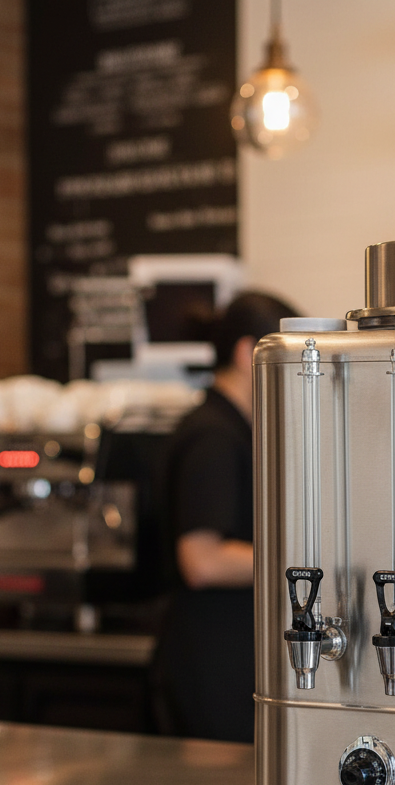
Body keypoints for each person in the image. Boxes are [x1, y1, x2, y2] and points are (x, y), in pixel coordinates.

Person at [155, 291, 298, 742]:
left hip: (229, 657)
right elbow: (203, 561)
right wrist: (303, 564)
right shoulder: (212, 437)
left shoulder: (237, 429)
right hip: (209, 664)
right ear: (246, 353)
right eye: (285, 358)